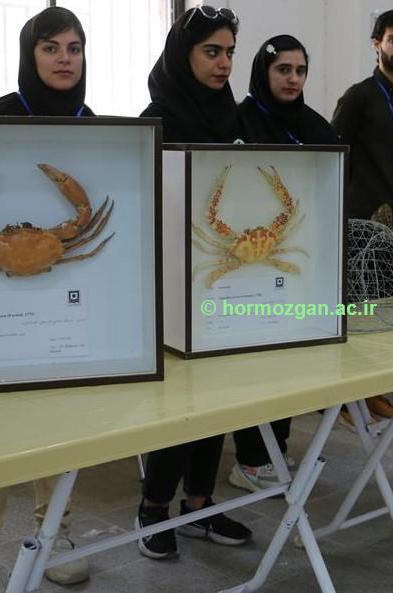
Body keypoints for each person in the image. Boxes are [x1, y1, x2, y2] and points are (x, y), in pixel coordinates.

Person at [0, 8, 93, 593]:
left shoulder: (94, 124)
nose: (64, 58)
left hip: (67, 306)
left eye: (74, 48)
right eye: (50, 47)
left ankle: (54, 532)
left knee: (61, 425)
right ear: (29, 54)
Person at [136, 5, 252, 560]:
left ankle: (199, 506)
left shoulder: (233, 118)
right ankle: (152, 509)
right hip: (171, 280)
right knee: (179, 404)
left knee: (219, 398)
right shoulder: (156, 118)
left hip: (223, 278)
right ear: (184, 55)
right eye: (212, 51)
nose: (223, 63)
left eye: (229, 52)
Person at [228, 34, 338, 491]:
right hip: (247, 263)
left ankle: (275, 450)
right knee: (254, 360)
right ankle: (250, 460)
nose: (293, 79)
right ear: (264, 71)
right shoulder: (239, 119)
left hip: (298, 260)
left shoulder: (315, 126)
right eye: (283, 70)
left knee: (289, 358)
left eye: (300, 70)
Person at [331, 8, 393, 424]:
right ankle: (347, 399)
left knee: (387, 306)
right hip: (361, 220)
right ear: (377, 44)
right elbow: (336, 156)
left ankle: (375, 391)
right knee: (359, 312)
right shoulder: (358, 97)